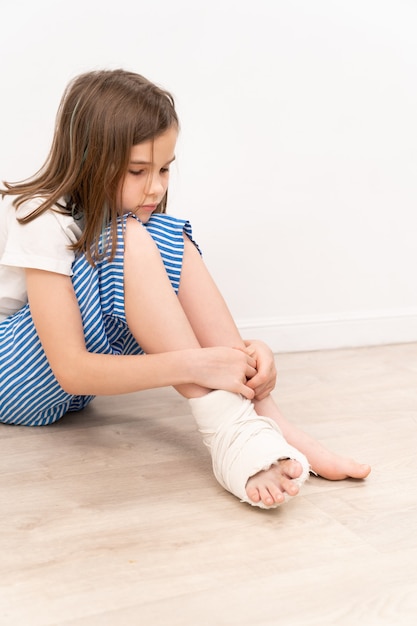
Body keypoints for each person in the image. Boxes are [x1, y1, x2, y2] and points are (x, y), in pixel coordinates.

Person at [0, 69, 371, 509]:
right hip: (16, 381)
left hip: (74, 395)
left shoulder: (134, 225)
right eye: (137, 170)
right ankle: (231, 430)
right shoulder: (39, 214)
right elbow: (71, 370)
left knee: (161, 233)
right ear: (88, 159)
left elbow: (155, 315)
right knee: (133, 236)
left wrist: (241, 358)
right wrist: (196, 365)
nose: (155, 186)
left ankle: (269, 423)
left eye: (164, 169)